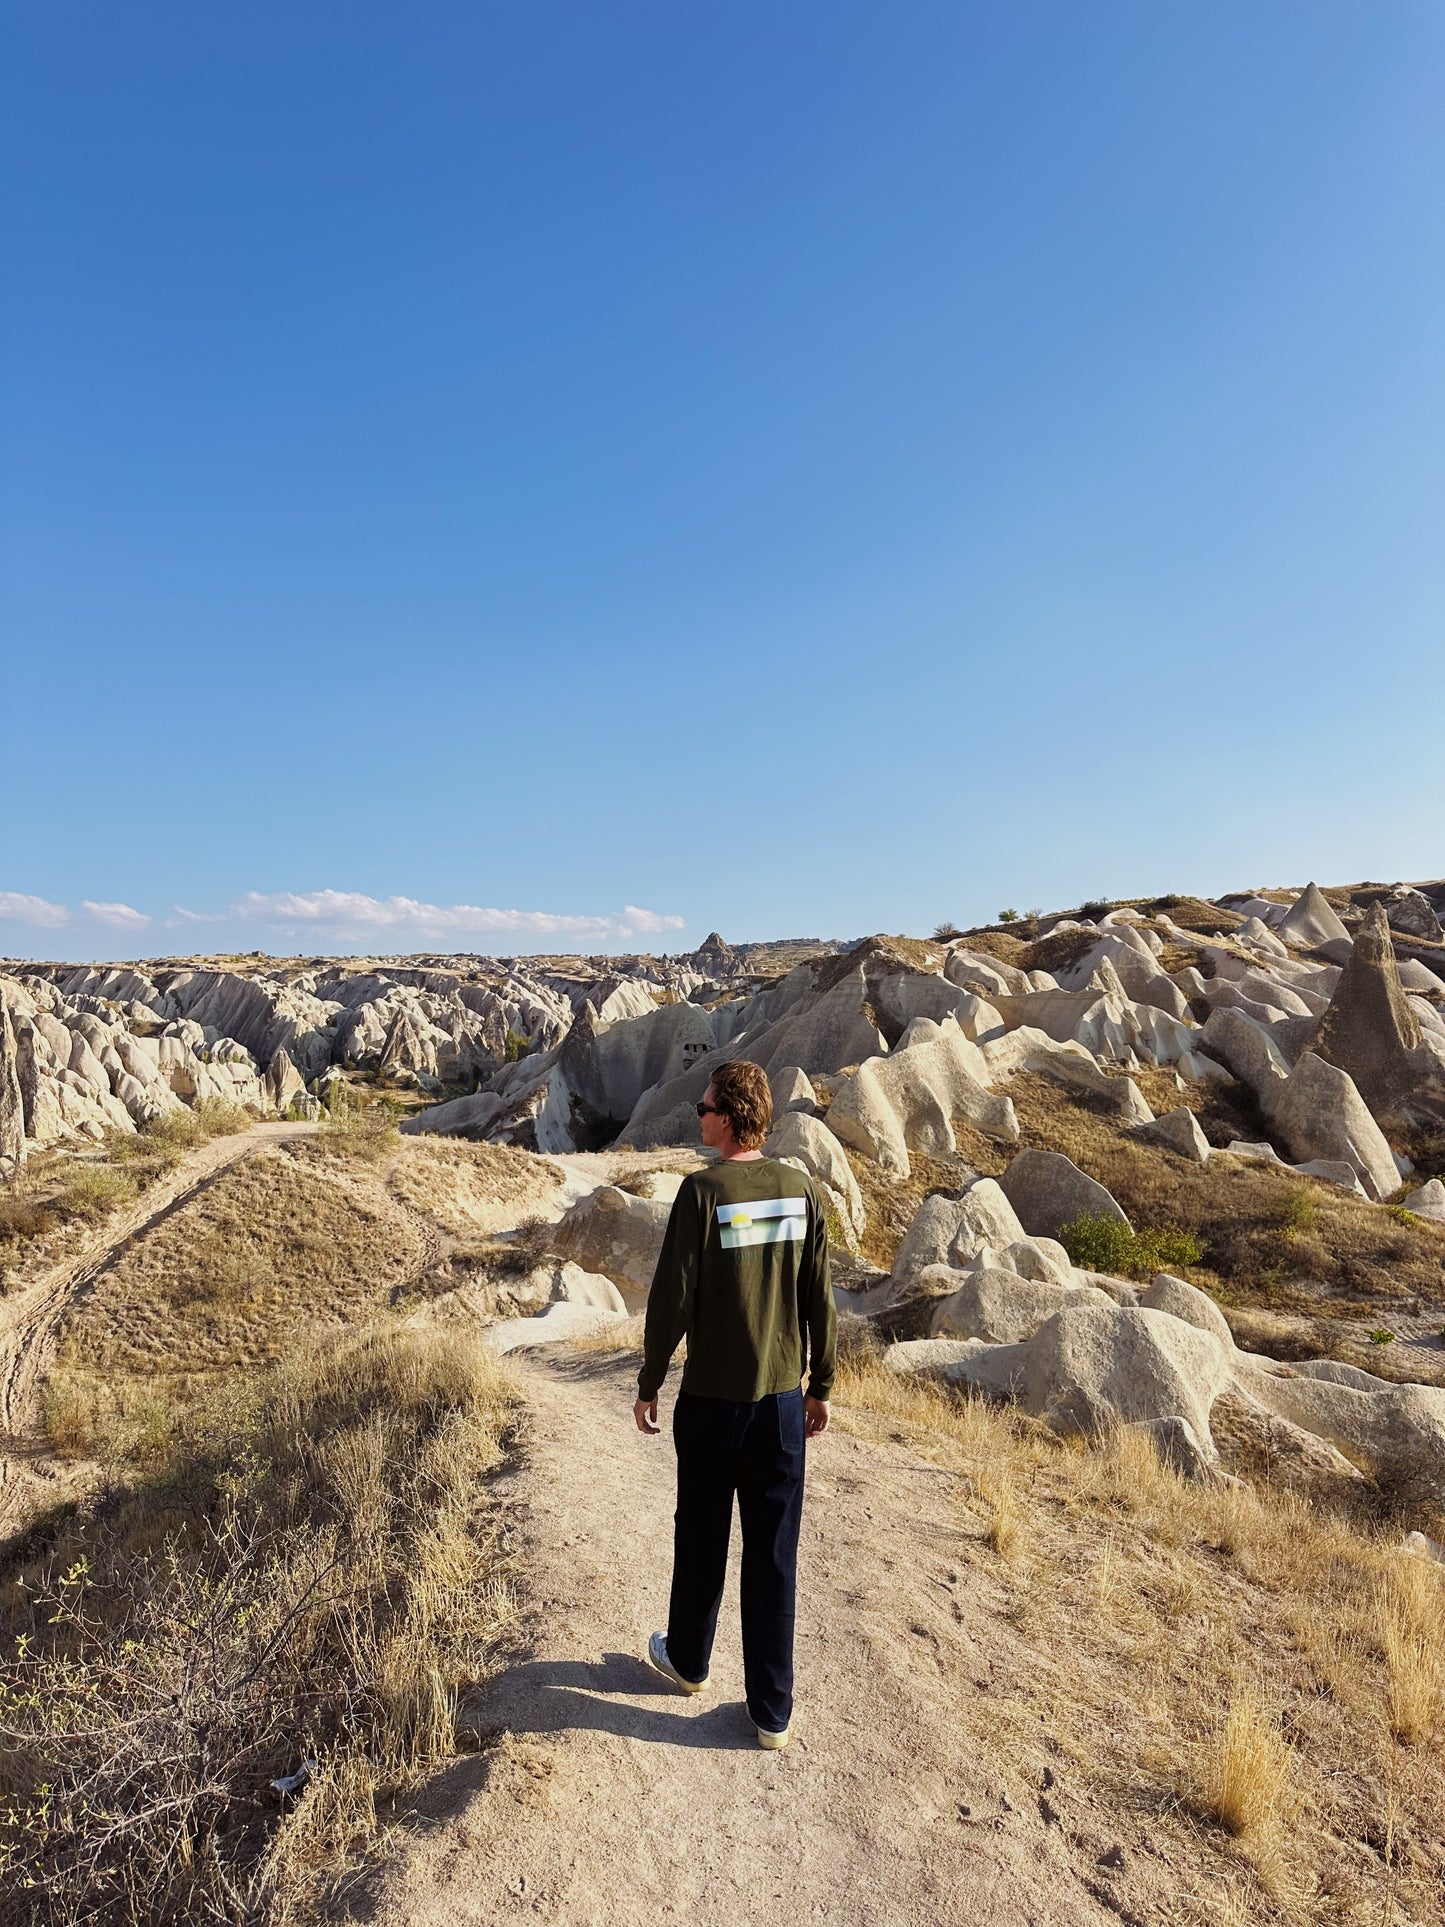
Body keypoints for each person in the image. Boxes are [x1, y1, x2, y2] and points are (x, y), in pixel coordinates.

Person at [633, 1058, 836, 1750]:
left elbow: (670, 1302)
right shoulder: (799, 1188)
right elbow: (819, 1297)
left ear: (728, 1117)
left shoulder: (702, 1192)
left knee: (702, 1536)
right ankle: (771, 1711)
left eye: (703, 1106)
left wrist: (648, 1379)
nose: (697, 1113)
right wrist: (821, 1385)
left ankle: (688, 1661)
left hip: (713, 1402)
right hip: (781, 1403)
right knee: (773, 1553)